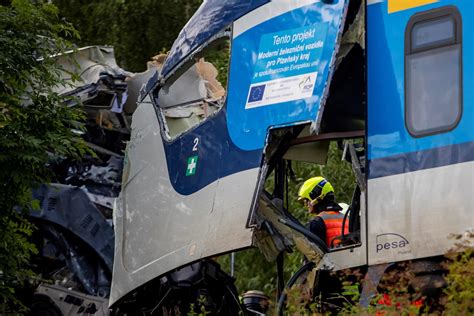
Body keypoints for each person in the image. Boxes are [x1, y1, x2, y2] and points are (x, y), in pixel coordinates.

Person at [297, 176, 348, 248]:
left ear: (315, 196)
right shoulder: (347, 218)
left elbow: (315, 255)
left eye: (306, 201)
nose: (307, 205)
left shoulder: (316, 223)